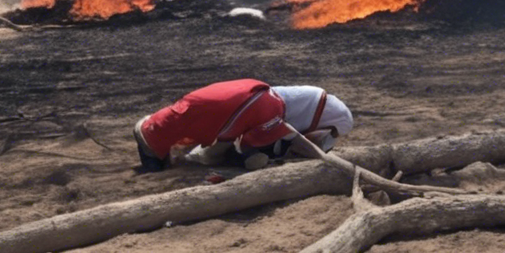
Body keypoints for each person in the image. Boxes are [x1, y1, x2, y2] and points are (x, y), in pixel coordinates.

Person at [133, 79, 354, 172]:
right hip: (152, 138)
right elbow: (246, 141)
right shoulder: (270, 108)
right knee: (161, 167)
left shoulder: (264, 96)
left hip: (160, 126)